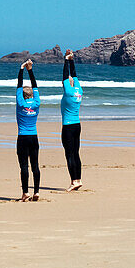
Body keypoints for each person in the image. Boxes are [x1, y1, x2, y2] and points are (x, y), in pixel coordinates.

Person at [15, 59, 41, 202]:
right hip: (34, 137)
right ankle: (36, 191)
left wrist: (21, 69)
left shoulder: (20, 103)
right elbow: (35, 85)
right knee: (35, 165)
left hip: (23, 137)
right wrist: (30, 70)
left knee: (24, 166)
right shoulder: (36, 103)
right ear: (32, 94)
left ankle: (25, 193)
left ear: (23, 95)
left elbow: (19, 85)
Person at [61, 50, 83, 192]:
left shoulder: (68, 92)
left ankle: (73, 181)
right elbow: (73, 75)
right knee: (76, 153)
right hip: (77, 125)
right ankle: (78, 179)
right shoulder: (79, 90)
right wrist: (71, 60)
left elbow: (65, 75)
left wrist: (65, 60)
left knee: (69, 154)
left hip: (68, 127)